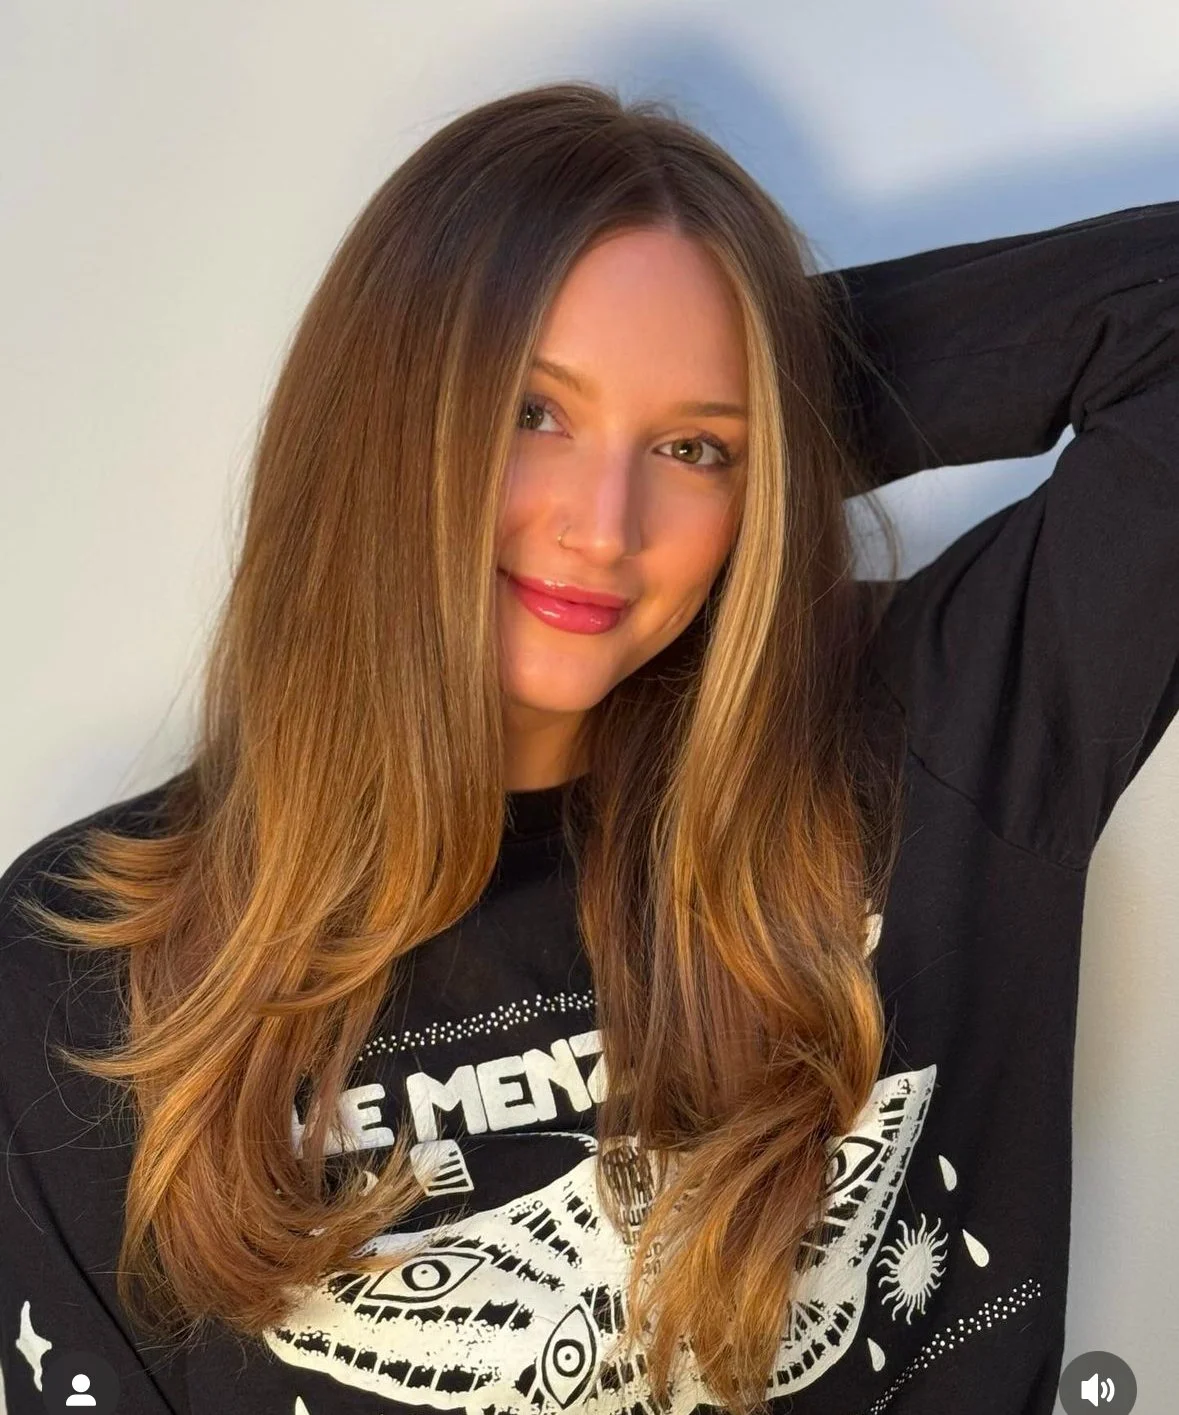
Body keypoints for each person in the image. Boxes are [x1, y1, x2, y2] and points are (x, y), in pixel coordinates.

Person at [0, 80, 1176, 1415]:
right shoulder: (85, 975)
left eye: (691, 448)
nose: (605, 524)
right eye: (529, 412)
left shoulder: (931, 745)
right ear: (383, 414)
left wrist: (771, 389)